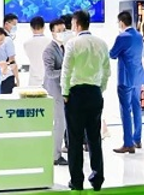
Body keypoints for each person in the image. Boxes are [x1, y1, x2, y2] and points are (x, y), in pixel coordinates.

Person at [61, 10, 111, 192]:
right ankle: (97, 179)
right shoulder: (101, 43)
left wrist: (65, 92)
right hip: (94, 93)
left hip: (76, 94)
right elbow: (107, 71)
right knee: (94, 138)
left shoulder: (72, 43)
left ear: (76, 24)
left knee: (74, 139)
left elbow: (66, 70)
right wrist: (100, 89)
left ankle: (77, 180)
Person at [109, 10, 144, 154]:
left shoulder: (122, 37)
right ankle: (137, 139)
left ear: (121, 22)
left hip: (125, 78)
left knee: (125, 110)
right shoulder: (139, 36)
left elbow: (112, 54)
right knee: (137, 107)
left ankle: (128, 143)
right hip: (138, 76)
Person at [43, 19, 68, 166]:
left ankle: (57, 152)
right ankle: (55, 155)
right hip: (54, 90)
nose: (62, 33)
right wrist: (67, 70)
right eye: (59, 31)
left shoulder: (63, 47)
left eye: (64, 30)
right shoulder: (49, 50)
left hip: (62, 90)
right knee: (59, 122)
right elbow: (50, 73)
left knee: (62, 122)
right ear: (52, 32)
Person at [23, 16, 50, 87]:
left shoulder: (26, 43)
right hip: (48, 77)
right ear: (44, 27)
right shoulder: (50, 42)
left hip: (33, 78)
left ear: (31, 28)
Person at [0, 13, 19, 94]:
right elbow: (12, 60)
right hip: (8, 75)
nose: (15, 27)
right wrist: (17, 79)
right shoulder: (8, 40)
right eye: (14, 24)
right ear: (6, 24)